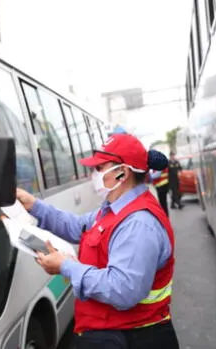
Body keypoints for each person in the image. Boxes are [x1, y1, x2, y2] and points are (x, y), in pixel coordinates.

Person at [16, 133, 179, 349]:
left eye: (100, 168)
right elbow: (75, 226)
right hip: (113, 334)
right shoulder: (113, 209)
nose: (94, 174)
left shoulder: (139, 224)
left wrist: (65, 266)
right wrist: (34, 205)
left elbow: (123, 289)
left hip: (132, 338)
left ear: (122, 173)